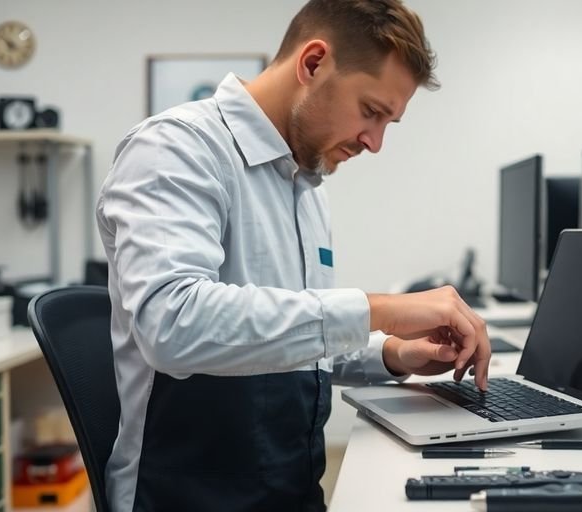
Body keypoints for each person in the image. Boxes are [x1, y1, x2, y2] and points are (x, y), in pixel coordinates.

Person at [95, 1, 490, 510]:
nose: (375, 143)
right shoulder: (176, 149)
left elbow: (295, 336)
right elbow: (173, 324)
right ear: (313, 63)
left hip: (290, 488)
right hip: (187, 494)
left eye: (389, 122)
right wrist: (383, 309)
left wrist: (394, 354)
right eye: (371, 111)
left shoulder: (306, 184)